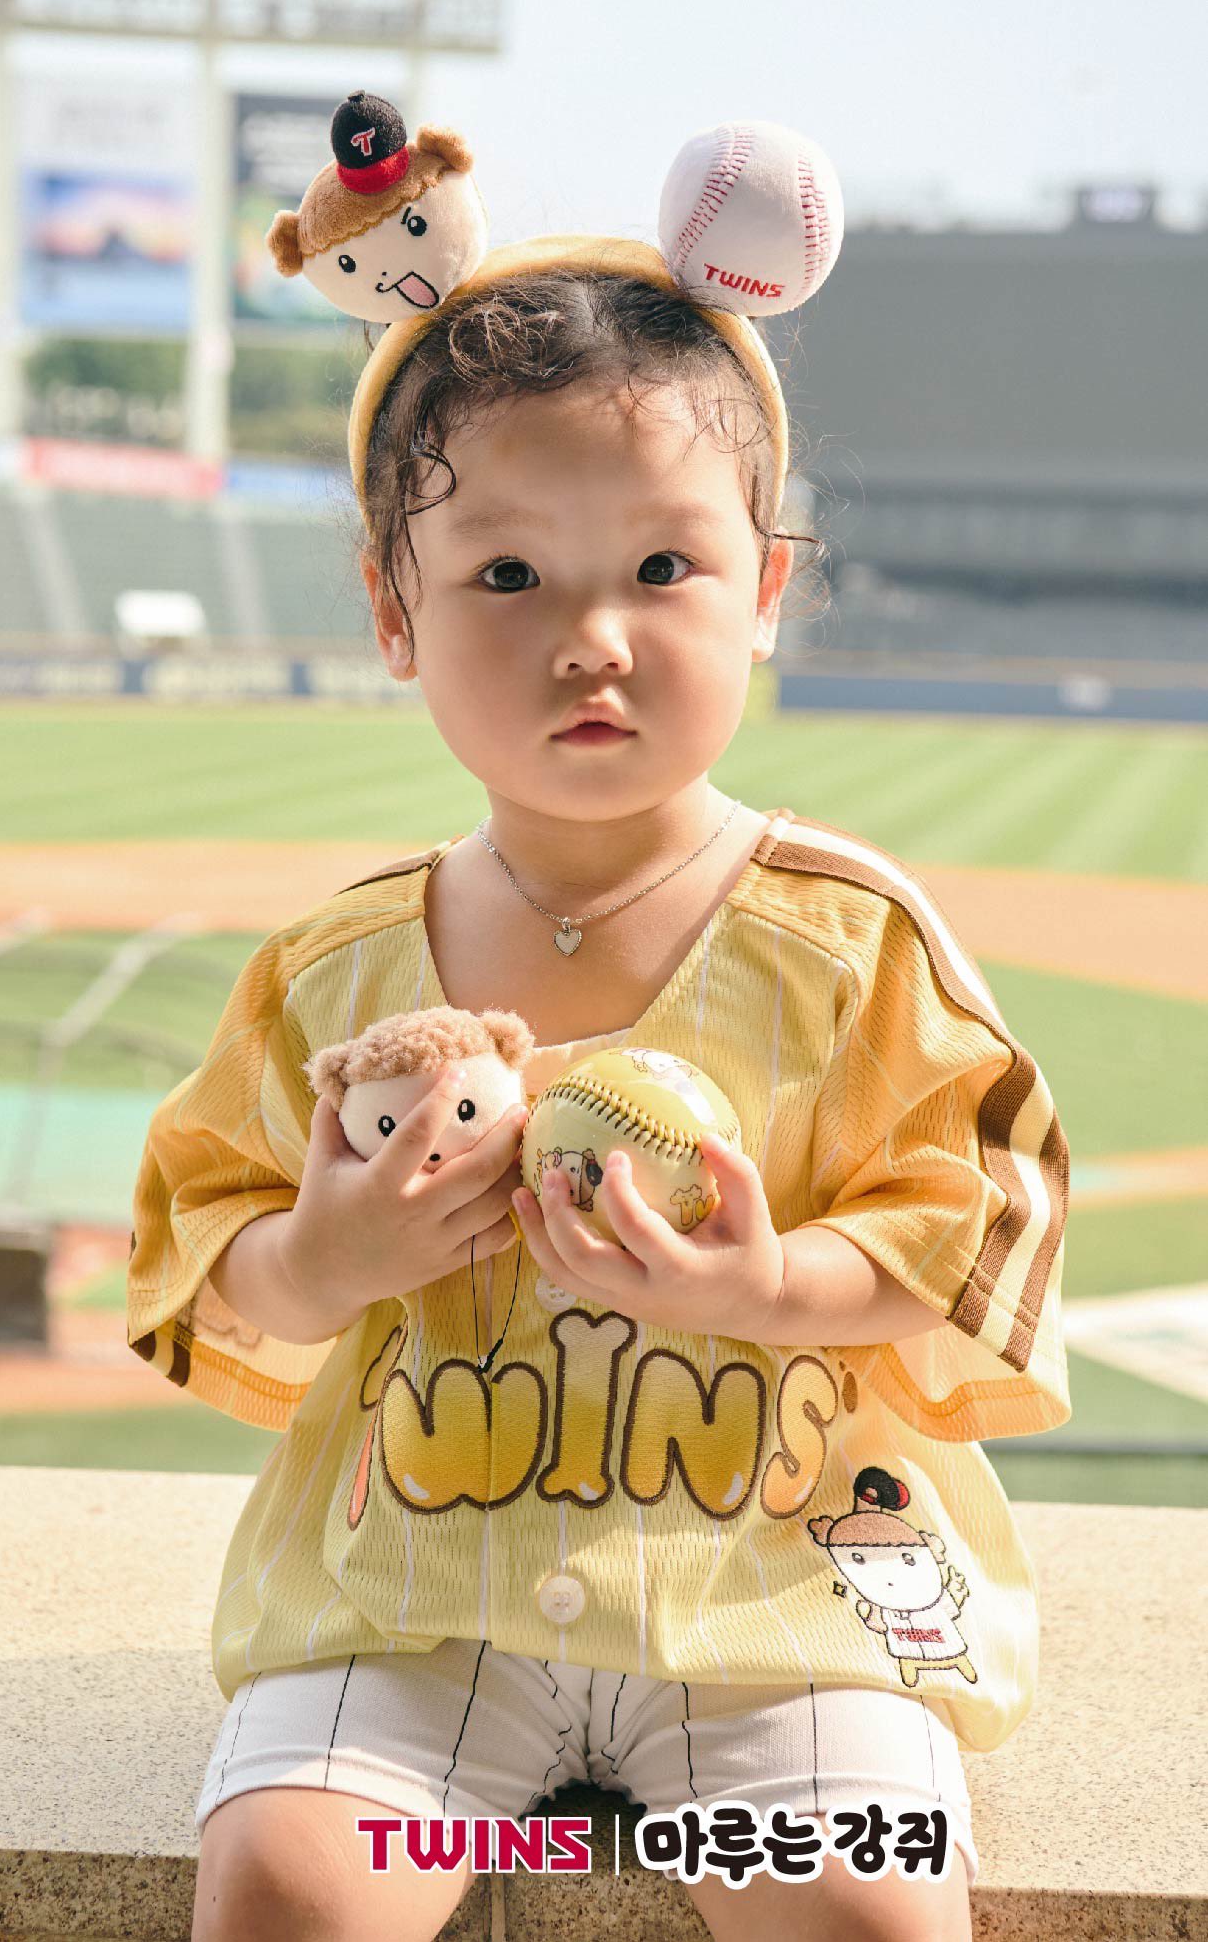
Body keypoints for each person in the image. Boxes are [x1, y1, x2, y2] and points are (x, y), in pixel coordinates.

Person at [127, 238, 1070, 1942]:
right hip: (409, 1591)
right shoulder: (333, 970)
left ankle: (558, 1841)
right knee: (284, 1885)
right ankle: (497, 1837)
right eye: (507, 576)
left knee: (870, 1904)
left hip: (772, 1583)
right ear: (389, 610)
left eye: (660, 565)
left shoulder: (851, 939)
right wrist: (329, 1259)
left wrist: (768, 1282)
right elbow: (213, 1235)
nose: (592, 639)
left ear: (765, 589)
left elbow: (971, 1221)